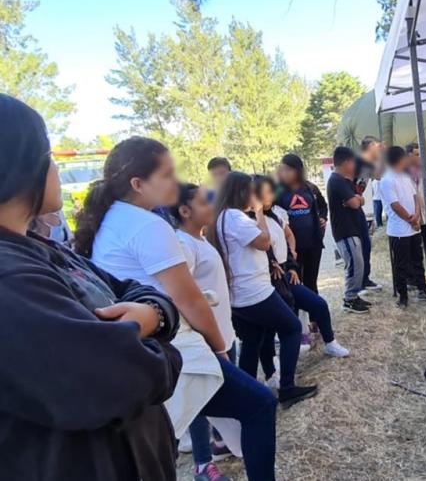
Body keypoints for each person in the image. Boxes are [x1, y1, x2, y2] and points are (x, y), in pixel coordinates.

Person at [0, 94, 182, 480]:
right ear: (17, 165)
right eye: (48, 154)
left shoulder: (40, 249)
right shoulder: (10, 279)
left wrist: (152, 316)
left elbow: (136, 291)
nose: (54, 167)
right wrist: (164, 347)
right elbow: (124, 379)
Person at [75, 137, 278, 481]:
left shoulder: (113, 220)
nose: (175, 181)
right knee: (260, 404)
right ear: (138, 184)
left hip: (140, 349)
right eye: (167, 174)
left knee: (161, 445)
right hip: (167, 345)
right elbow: (189, 299)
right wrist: (219, 348)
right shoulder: (147, 226)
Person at [208, 171, 318, 409]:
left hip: (240, 294)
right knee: (291, 328)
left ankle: (247, 396)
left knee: (252, 342)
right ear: (240, 192)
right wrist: (258, 211)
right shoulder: (235, 217)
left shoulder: (223, 218)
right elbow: (263, 242)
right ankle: (287, 388)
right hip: (254, 292)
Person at [171, 183, 239, 478]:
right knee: (200, 400)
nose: (210, 206)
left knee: (222, 395)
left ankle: (220, 441)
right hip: (206, 338)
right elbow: (183, 294)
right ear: (185, 211)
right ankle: (202, 462)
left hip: (224, 331)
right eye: (202, 202)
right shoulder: (182, 245)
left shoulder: (199, 239)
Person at [254, 175, 349, 358]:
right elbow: (263, 246)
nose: (270, 196)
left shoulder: (276, 215)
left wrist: (291, 266)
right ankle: (276, 364)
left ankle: (330, 343)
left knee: (319, 304)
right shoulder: (250, 222)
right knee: (281, 324)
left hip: (286, 274)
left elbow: (288, 237)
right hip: (269, 280)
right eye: (266, 192)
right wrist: (272, 263)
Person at [382, 145, 426, 308]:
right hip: (399, 230)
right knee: (401, 264)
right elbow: (395, 205)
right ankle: (403, 296)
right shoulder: (387, 180)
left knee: (418, 260)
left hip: (413, 227)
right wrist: (410, 219)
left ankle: (423, 289)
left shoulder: (405, 177)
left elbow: (415, 197)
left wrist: (417, 216)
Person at [276, 154, 328, 294]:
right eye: (283, 170)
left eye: (289, 170)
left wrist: (323, 218)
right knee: (294, 284)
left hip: (313, 244)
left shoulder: (310, 188)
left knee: (311, 283)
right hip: (292, 248)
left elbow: (323, 205)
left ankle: (314, 308)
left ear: (298, 170)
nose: (285, 173)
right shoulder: (278, 191)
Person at [327, 146, 371, 314]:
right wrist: (356, 200)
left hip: (353, 229)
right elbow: (353, 203)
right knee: (354, 264)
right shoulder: (336, 180)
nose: (354, 165)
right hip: (345, 231)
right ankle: (349, 298)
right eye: (353, 162)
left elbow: (358, 200)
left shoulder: (345, 181)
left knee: (358, 263)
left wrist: (357, 199)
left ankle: (354, 295)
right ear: (346, 162)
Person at [354, 135, 384, 293]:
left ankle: (365, 278)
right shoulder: (356, 162)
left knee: (366, 243)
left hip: (359, 208)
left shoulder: (368, 164)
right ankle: (356, 283)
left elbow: (379, 175)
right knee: (356, 248)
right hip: (349, 207)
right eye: (376, 147)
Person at [406, 142, 426, 280]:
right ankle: (415, 278)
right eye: (417, 154)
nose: (420, 157)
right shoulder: (403, 174)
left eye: (421, 154)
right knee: (414, 249)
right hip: (413, 216)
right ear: (408, 156)